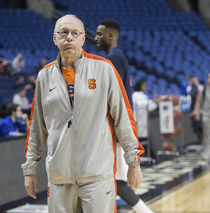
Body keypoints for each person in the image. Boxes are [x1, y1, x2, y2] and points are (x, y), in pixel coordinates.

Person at [22, 15, 144, 213]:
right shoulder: (44, 76)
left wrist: (133, 161)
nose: (69, 38)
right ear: (55, 38)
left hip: (98, 176)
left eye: (75, 33)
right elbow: (37, 127)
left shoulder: (104, 69)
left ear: (82, 38)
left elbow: (123, 117)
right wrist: (29, 169)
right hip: (59, 178)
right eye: (63, 33)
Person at [95, 20, 155, 213]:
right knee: (109, 180)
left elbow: (111, 97)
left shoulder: (113, 58)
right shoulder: (119, 56)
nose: (95, 38)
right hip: (119, 126)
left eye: (99, 34)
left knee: (114, 181)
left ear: (111, 36)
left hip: (116, 128)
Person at [195, 73, 210, 161]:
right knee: (207, 135)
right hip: (206, 115)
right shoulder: (203, 90)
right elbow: (199, 103)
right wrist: (197, 113)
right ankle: (206, 154)